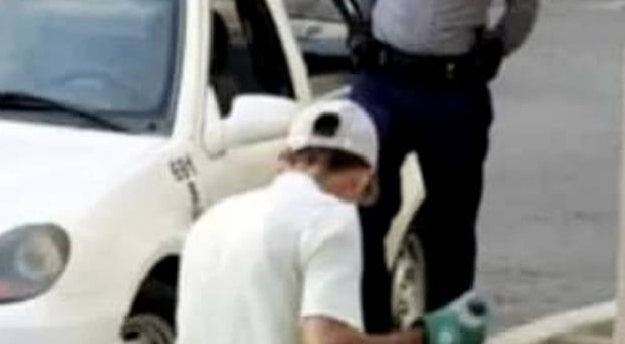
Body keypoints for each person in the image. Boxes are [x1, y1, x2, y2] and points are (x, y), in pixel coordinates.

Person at [349, 0, 541, 333]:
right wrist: (364, 29)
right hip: (384, 83)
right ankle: (370, 331)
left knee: (451, 226)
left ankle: (451, 331)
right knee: (363, 212)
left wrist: (496, 48)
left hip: (454, 92)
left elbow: (525, 2)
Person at [177, 99, 489, 344]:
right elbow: (328, 342)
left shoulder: (213, 219)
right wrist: (428, 337)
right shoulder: (330, 218)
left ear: (286, 161)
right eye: (365, 195)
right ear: (362, 179)